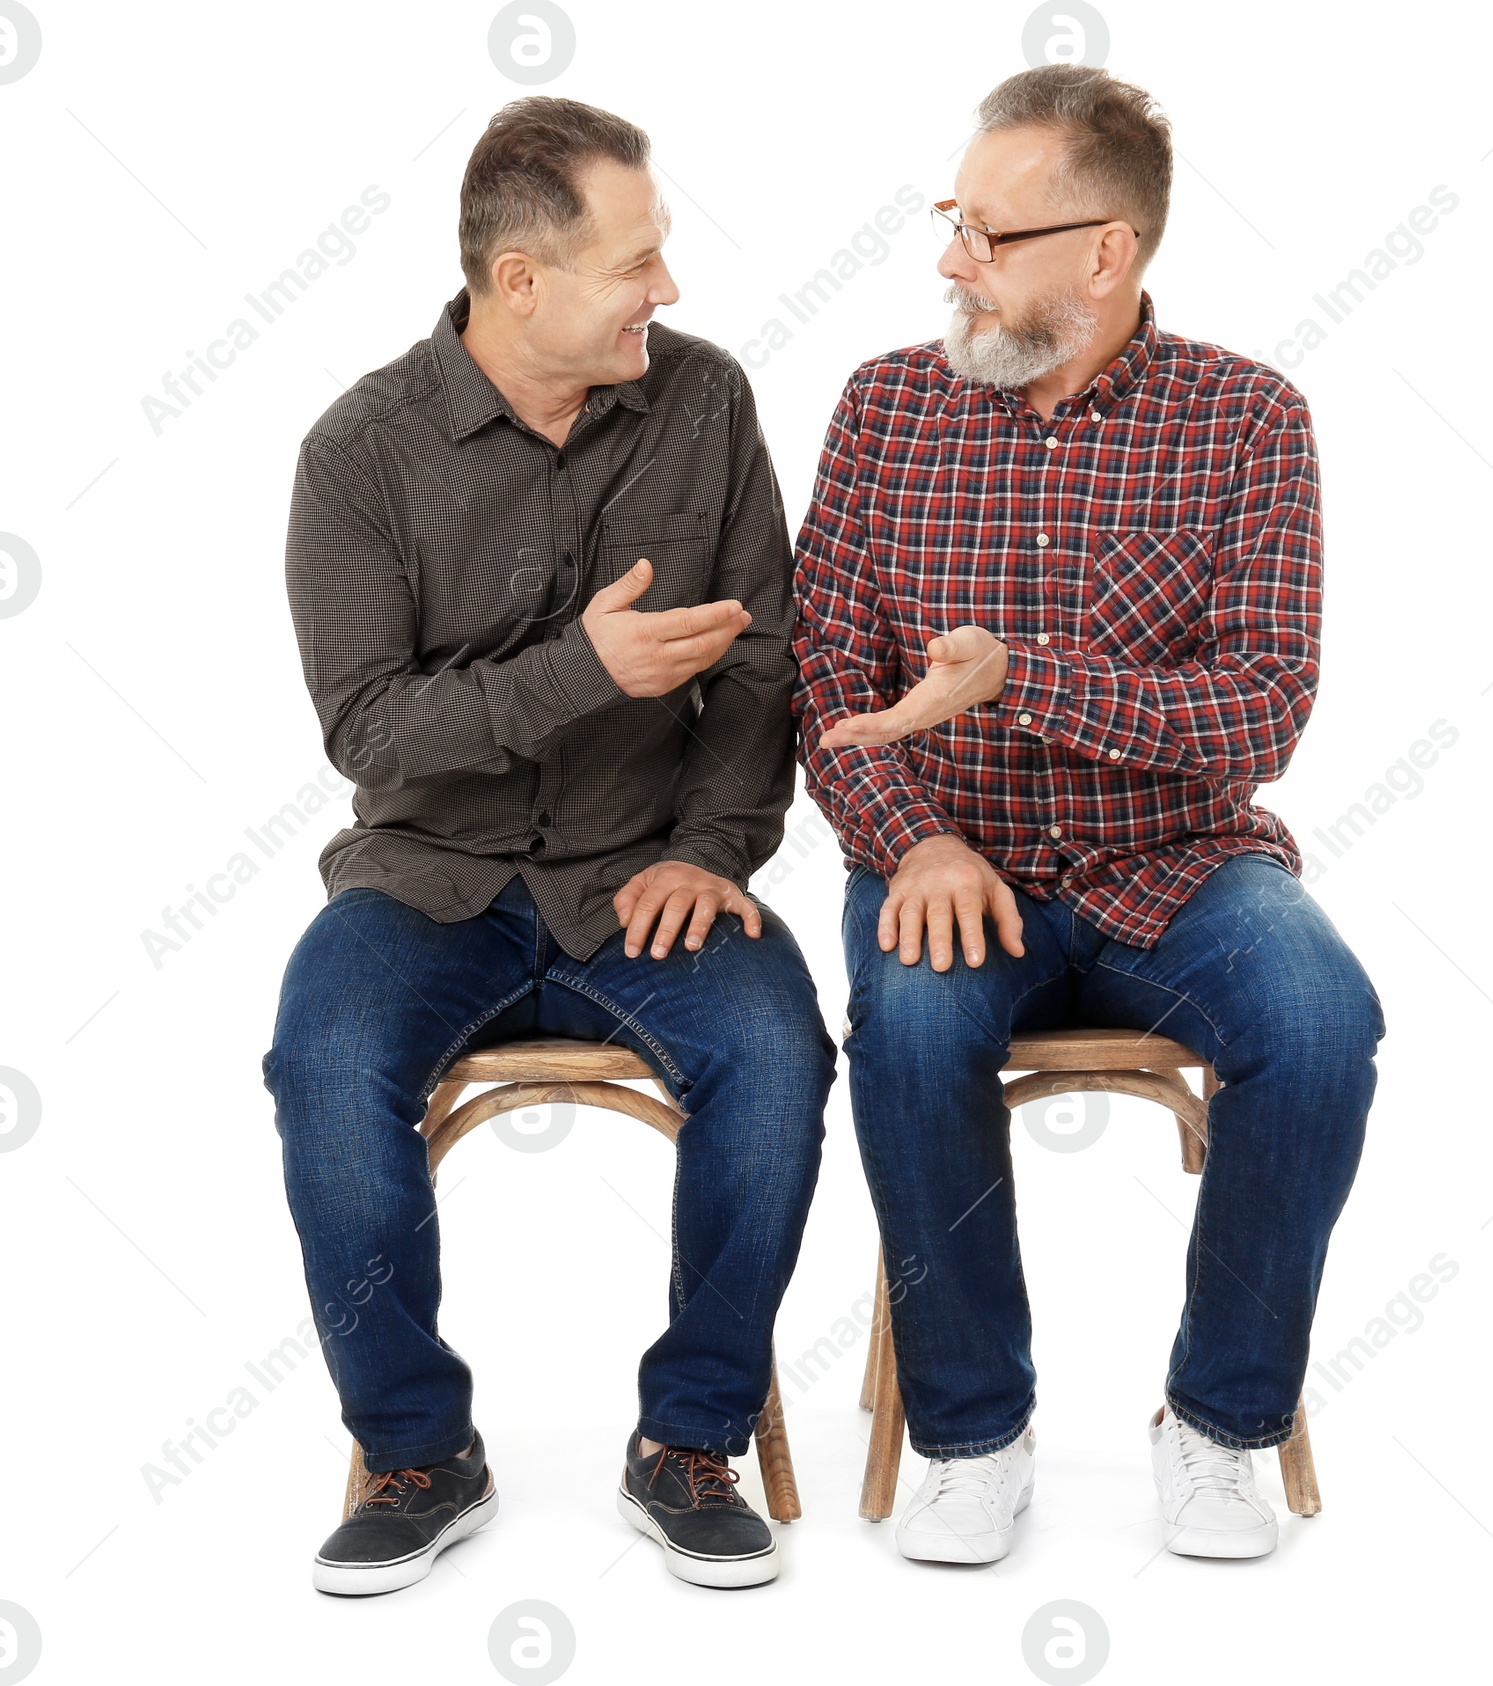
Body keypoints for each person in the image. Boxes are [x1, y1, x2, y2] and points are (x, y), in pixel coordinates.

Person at [793, 64, 1384, 1564]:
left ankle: (1220, 1425)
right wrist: (911, 837)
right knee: (916, 1027)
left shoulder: (1248, 419)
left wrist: (1027, 681)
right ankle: (973, 1435)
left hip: (1177, 870)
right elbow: (822, 684)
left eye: (988, 235)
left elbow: (1263, 707)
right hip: (949, 859)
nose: (951, 261)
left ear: (1107, 252)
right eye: (953, 223)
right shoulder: (883, 408)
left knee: (1319, 1018)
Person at [263, 96, 832, 1594]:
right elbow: (370, 732)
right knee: (324, 1058)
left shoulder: (704, 404)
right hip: (426, 885)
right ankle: (416, 1449)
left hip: (644, 879)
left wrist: (715, 846)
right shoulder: (359, 453)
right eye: (637, 261)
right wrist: (583, 670)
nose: (672, 289)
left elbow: (767, 660)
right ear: (520, 280)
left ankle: (689, 1436)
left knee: (779, 1054)